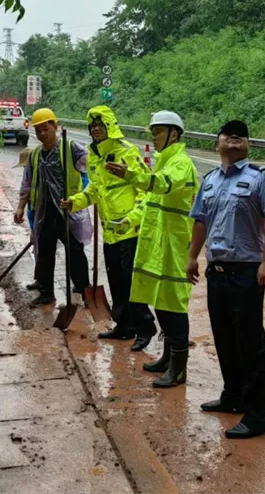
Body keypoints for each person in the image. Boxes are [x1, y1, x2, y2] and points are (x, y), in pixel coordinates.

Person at [187, 120, 265, 440]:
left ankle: (258, 415)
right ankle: (233, 397)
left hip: (246, 272)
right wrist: (192, 256)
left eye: (240, 135)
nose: (234, 137)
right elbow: (200, 221)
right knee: (224, 337)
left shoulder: (260, 178)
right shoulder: (210, 180)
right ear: (217, 143)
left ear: (247, 144)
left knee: (250, 343)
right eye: (228, 134)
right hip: (216, 271)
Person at [105, 110, 198, 388]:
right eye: (153, 132)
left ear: (174, 134)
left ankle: (179, 368)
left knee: (173, 306)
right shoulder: (164, 162)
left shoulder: (181, 164)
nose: (154, 137)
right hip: (158, 247)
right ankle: (168, 358)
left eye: (158, 132)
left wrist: (131, 175)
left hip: (174, 248)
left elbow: (161, 185)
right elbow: (148, 204)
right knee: (161, 304)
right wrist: (127, 222)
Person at [61, 106, 157, 351]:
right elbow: (95, 190)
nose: (95, 129)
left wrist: (131, 219)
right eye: (92, 126)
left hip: (130, 231)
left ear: (110, 126)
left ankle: (145, 327)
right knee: (116, 280)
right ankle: (124, 326)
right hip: (111, 231)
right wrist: (75, 202)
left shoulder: (126, 151)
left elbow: (145, 190)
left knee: (132, 282)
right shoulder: (94, 156)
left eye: (100, 125)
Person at [14, 108, 92, 307]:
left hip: (68, 211)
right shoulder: (35, 155)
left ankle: (85, 291)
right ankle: (46, 292)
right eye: (38, 130)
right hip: (45, 213)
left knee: (75, 253)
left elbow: (93, 168)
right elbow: (27, 184)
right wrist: (21, 207)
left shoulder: (71, 148)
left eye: (46, 129)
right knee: (44, 253)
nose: (42, 134)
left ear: (55, 127)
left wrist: (89, 194)